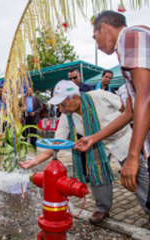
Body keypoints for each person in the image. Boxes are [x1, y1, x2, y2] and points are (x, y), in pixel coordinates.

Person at [19, 80, 150, 224]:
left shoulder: (99, 96)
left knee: (136, 173)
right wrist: (34, 161)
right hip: (97, 146)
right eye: (59, 106)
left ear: (75, 98)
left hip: (121, 138)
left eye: (62, 104)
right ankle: (102, 208)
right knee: (96, 173)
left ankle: (148, 209)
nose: (61, 109)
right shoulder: (66, 116)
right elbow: (55, 144)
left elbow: (127, 111)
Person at [77, 10, 150, 206]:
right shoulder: (126, 49)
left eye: (95, 37)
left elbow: (146, 98)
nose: (97, 44)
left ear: (104, 28)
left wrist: (133, 158)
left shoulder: (130, 36)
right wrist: (93, 138)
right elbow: (130, 112)